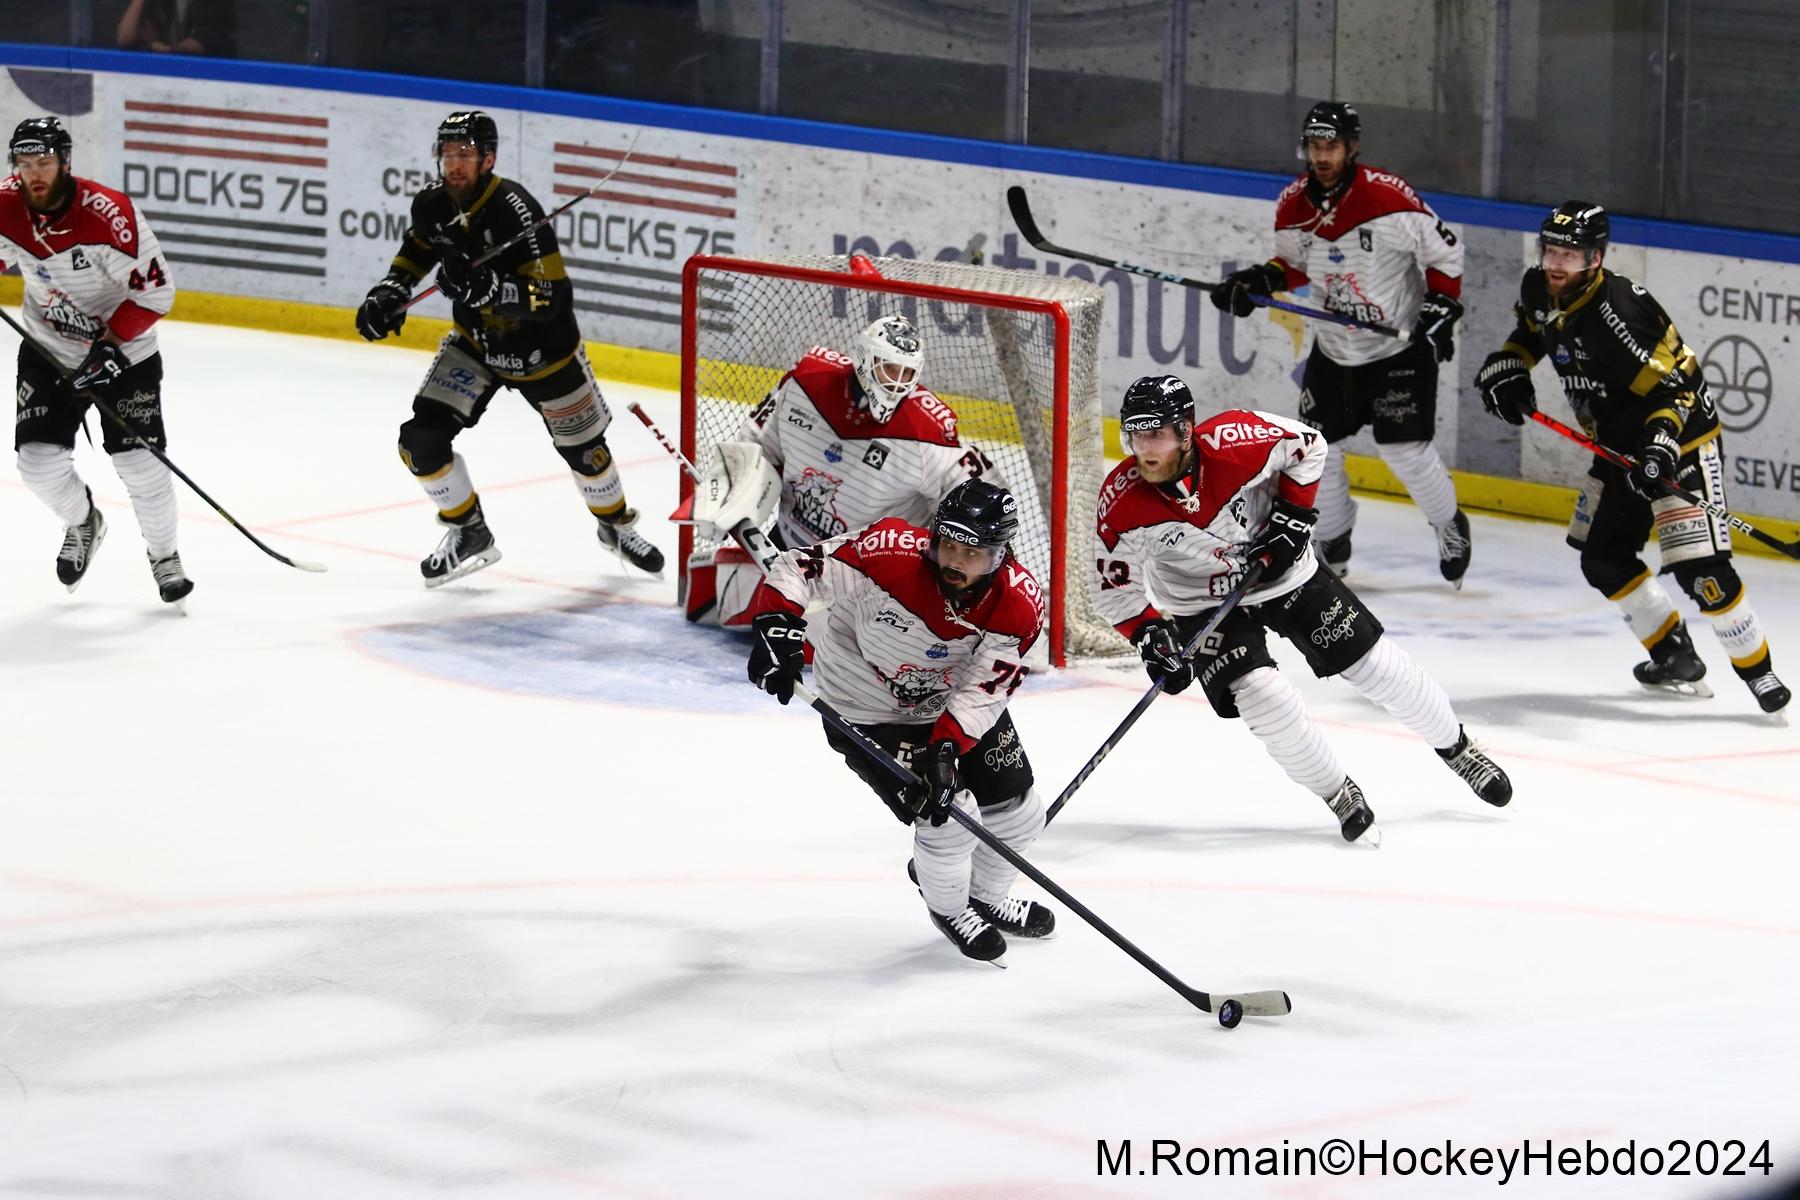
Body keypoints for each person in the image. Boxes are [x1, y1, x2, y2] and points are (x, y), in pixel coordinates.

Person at [1092, 375, 1511, 844]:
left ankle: (1458, 748)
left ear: (1187, 429)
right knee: (1262, 699)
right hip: (1199, 602)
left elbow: (1310, 445)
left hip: (1280, 571)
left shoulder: (1236, 440)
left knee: (1376, 668)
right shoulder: (1120, 502)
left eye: (1159, 434)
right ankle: (1338, 792)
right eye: (1137, 435)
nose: (1146, 449)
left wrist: (1293, 515)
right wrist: (1151, 638)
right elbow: (1113, 590)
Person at [1475, 201, 1790, 715]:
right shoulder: (1540, 287)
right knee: (1603, 556)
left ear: (1596, 258)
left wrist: (1660, 449)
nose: (1557, 263)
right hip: (1618, 447)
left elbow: (1673, 395)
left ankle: (1759, 673)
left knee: (1700, 571)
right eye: (1552, 250)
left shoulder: (1617, 316)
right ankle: (1673, 656)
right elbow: (1533, 332)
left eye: (1571, 255)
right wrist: (1509, 365)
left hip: (1680, 440)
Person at [745, 480, 1054, 963]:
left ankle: (986, 898)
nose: (953, 561)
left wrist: (948, 746)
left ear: (999, 555)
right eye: (947, 544)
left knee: (1021, 810)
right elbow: (799, 567)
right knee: (949, 818)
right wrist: (776, 624)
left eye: (971, 553)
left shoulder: (1019, 603)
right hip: (865, 707)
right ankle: (950, 908)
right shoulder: (889, 552)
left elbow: (983, 687)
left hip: (950, 701)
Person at [355, 110, 663, 585]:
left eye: (465, 155)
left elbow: (551, 296)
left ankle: (616, 526)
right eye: (448, 154)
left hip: (543, 352)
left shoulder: (515, 208)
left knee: (588, 456)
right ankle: (470, 531)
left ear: (488, 158)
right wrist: (391, 290)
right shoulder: (433, 203)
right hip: (476, 346)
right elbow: (417, 249)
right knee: (420, 442)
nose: (454, 164)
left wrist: (491, 290)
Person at [1211, 101, 1471, 587]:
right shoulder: (1293, 204)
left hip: (1397, 347)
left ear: (1351, 147)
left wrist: (1441, 307)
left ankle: (1448, 524)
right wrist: (1258, 280)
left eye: (1331, 145)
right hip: (1335, 349)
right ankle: (1334, 536)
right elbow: (1293, 265)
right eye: (1314, 145)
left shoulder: (1388, 198)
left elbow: (1446, 253)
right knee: (1316, 450)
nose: (1322, 155)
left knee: (1406, 451)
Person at [685, 314, 999, 626]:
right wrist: (728, 492)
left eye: (908, 373)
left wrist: (941, 580)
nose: (898, 383)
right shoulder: (806, 382)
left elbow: (980, 506)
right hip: (789, 547)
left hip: (865, 574)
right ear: (864, 360)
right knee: (709, 605)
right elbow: (757, 448)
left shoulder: (928, 431)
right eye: (890, 369)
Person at [0, 117, 192, 608]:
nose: (33, 173)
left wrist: (109, 348)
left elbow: (156, 293)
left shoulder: (110, 215)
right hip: (48, 350)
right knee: (38, 464)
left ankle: (165, 555)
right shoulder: (5, 203)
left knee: (140, 464)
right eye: (24, 164)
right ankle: (84, 521)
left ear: (65, 162)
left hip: (124, 353)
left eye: (43, 162)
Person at [115, 0, 237, 57]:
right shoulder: (159, 3)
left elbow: (203, 42)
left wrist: (168, 48)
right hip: (159, 74)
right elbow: (125, 39)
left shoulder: (213, 3)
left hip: (207, 76)